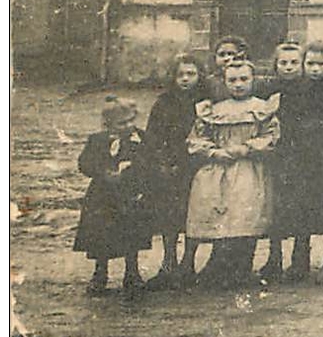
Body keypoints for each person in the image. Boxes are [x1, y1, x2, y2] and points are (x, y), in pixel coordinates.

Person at [186, 59, 280, 290]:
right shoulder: (213, 110)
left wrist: (248, 147)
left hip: (249, 170)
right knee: (222, 217)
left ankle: (243, 268)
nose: (238, 85)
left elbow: (271, 135)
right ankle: (218, 268)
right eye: (232, 80)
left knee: (246, 218)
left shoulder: (263, 108)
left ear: (253, 80)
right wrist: (214, 151)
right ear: (224, 82)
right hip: (218, 171)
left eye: (244, 79)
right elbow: (196, 138)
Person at [278, 41, 323, 284]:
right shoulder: (294, 90)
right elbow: (287, 125)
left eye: (321, 64)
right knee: (300, 208)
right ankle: (300, 259)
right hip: (301, 159)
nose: (315, 69)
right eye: (310, 63)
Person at [140, 52, 210, 288]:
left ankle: (188, 263)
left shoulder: (206, 102)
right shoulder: (164, 102)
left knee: (194, 215)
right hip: (170, 167)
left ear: (200, 76)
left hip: (196, 166)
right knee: (169, 216)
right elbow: (152, 135)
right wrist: (160, 161)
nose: (185, 79)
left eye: (191, 74)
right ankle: (168, 261)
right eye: (180, 74)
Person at [75, 96, 151, 295]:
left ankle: (132, 273)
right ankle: (100, 273)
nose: (128, 126)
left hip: (130, 193)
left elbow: (149, 162)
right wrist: (103, 171)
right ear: (108, 124)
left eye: (131, 120)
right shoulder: (98, 140)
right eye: (121, 123)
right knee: (102, 235)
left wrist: (133, 173)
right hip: (103, 195)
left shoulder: (141, 138)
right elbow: (84, 164)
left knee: (131, 233)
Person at [255, 41, 304, 280]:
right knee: (274, 205)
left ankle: (300, 257)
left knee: (300, 205)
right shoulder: (268, 90)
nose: (289, 67)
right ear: (275, 65)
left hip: (302, 155)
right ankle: (274, 256)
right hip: (275, 154)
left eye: (294, 63)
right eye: (283, 63)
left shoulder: (307, 90)